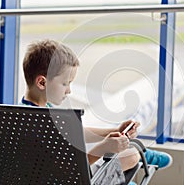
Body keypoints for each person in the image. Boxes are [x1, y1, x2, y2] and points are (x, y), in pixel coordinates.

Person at [20, 39, 172, 181]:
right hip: (72, 179)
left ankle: (139, 152)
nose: (69, 91)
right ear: (42, 82)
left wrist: (113, 131)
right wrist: (104, 147)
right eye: (65, 83)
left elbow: (74, 131)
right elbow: (71, 170)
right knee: (131, 155)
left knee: (120, 149)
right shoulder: (41, 123)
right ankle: (140, 154)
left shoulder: (23, 114)